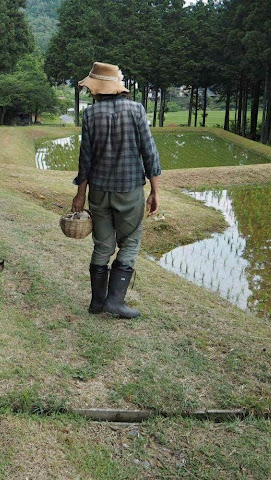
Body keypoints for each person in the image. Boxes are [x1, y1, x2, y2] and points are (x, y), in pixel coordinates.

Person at [71, 62, 161, 319]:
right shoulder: (136, 110)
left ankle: (97, 303)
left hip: (99, 191)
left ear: (97, 89)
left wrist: (80, 194)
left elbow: (85, 159)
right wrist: (155, 191)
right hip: (129, 189)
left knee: (102, 245)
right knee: (130, 241)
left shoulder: (90, 115)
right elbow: (149, 152)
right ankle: (115, 302)